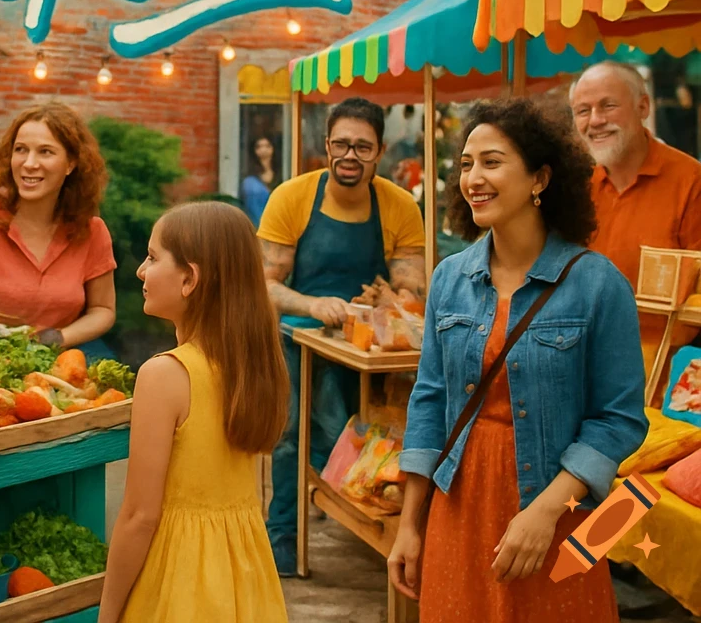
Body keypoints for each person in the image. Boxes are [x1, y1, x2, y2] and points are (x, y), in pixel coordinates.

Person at [389, 98, 647, 623]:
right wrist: (410, 525)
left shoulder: (599, 284)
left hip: (560, 508)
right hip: (460, 503)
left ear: (539, 179)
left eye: (492, 162)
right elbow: (430, 402)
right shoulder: (450, 278)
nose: (473, 178)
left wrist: (546, 512)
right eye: (466, 164)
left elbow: (619, 419)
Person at [98, 202, 290, 623]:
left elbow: (139, 517)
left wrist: (107, 612)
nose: (140, 271)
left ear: (189, 279)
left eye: (152, 257)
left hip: (180, 581)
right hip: (247, 578)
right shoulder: (253, 367)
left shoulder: (164, 375)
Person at [257, 96, 426, 574]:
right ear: (327, 145)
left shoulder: (398, 206)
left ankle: (369, 527)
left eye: (362, 147)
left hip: (364, 345)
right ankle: (283, 537)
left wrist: (392, 298)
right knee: (291, 436)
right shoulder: (292, 198)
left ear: (381, 151)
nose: (350, 156)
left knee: (359, 437)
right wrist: (312, 305)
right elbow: (264, 283)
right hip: (296, 337)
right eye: (341, 144)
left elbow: (412, 286)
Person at [0, 102, 117, 355]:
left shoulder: (92, 231)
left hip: (58, 364)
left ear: (70, 163)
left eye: (45, 152)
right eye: (21, 150)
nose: (29, 163)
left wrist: (57, 338)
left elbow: (103, 310)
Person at [570, 62, 701, 388]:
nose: (595, 120)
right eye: (583, 110)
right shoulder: (575, 188)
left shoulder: (690, 181)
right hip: (581, 369)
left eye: (608, 105)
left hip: (665, 381)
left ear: (643, 107)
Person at [240, 135, 280, 227]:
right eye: (259, 146)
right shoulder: (250, 181)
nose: (263, 149)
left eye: (267, 146)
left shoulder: (281, 173)